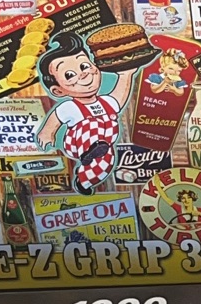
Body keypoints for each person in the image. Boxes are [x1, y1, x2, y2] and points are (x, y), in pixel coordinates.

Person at [35, 31, 134, 192]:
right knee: (91, 127)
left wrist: (126, 75)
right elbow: (54, 120)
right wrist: (47, 135)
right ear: (58, 91)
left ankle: (84, 182)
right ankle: (88, 154)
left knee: (106, 162)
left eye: (85, 66)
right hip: (77, 144)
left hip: (104, 146)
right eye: (69, 75)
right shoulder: (70, 107)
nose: (83, 74)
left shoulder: (105, 102)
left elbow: (119, 96)